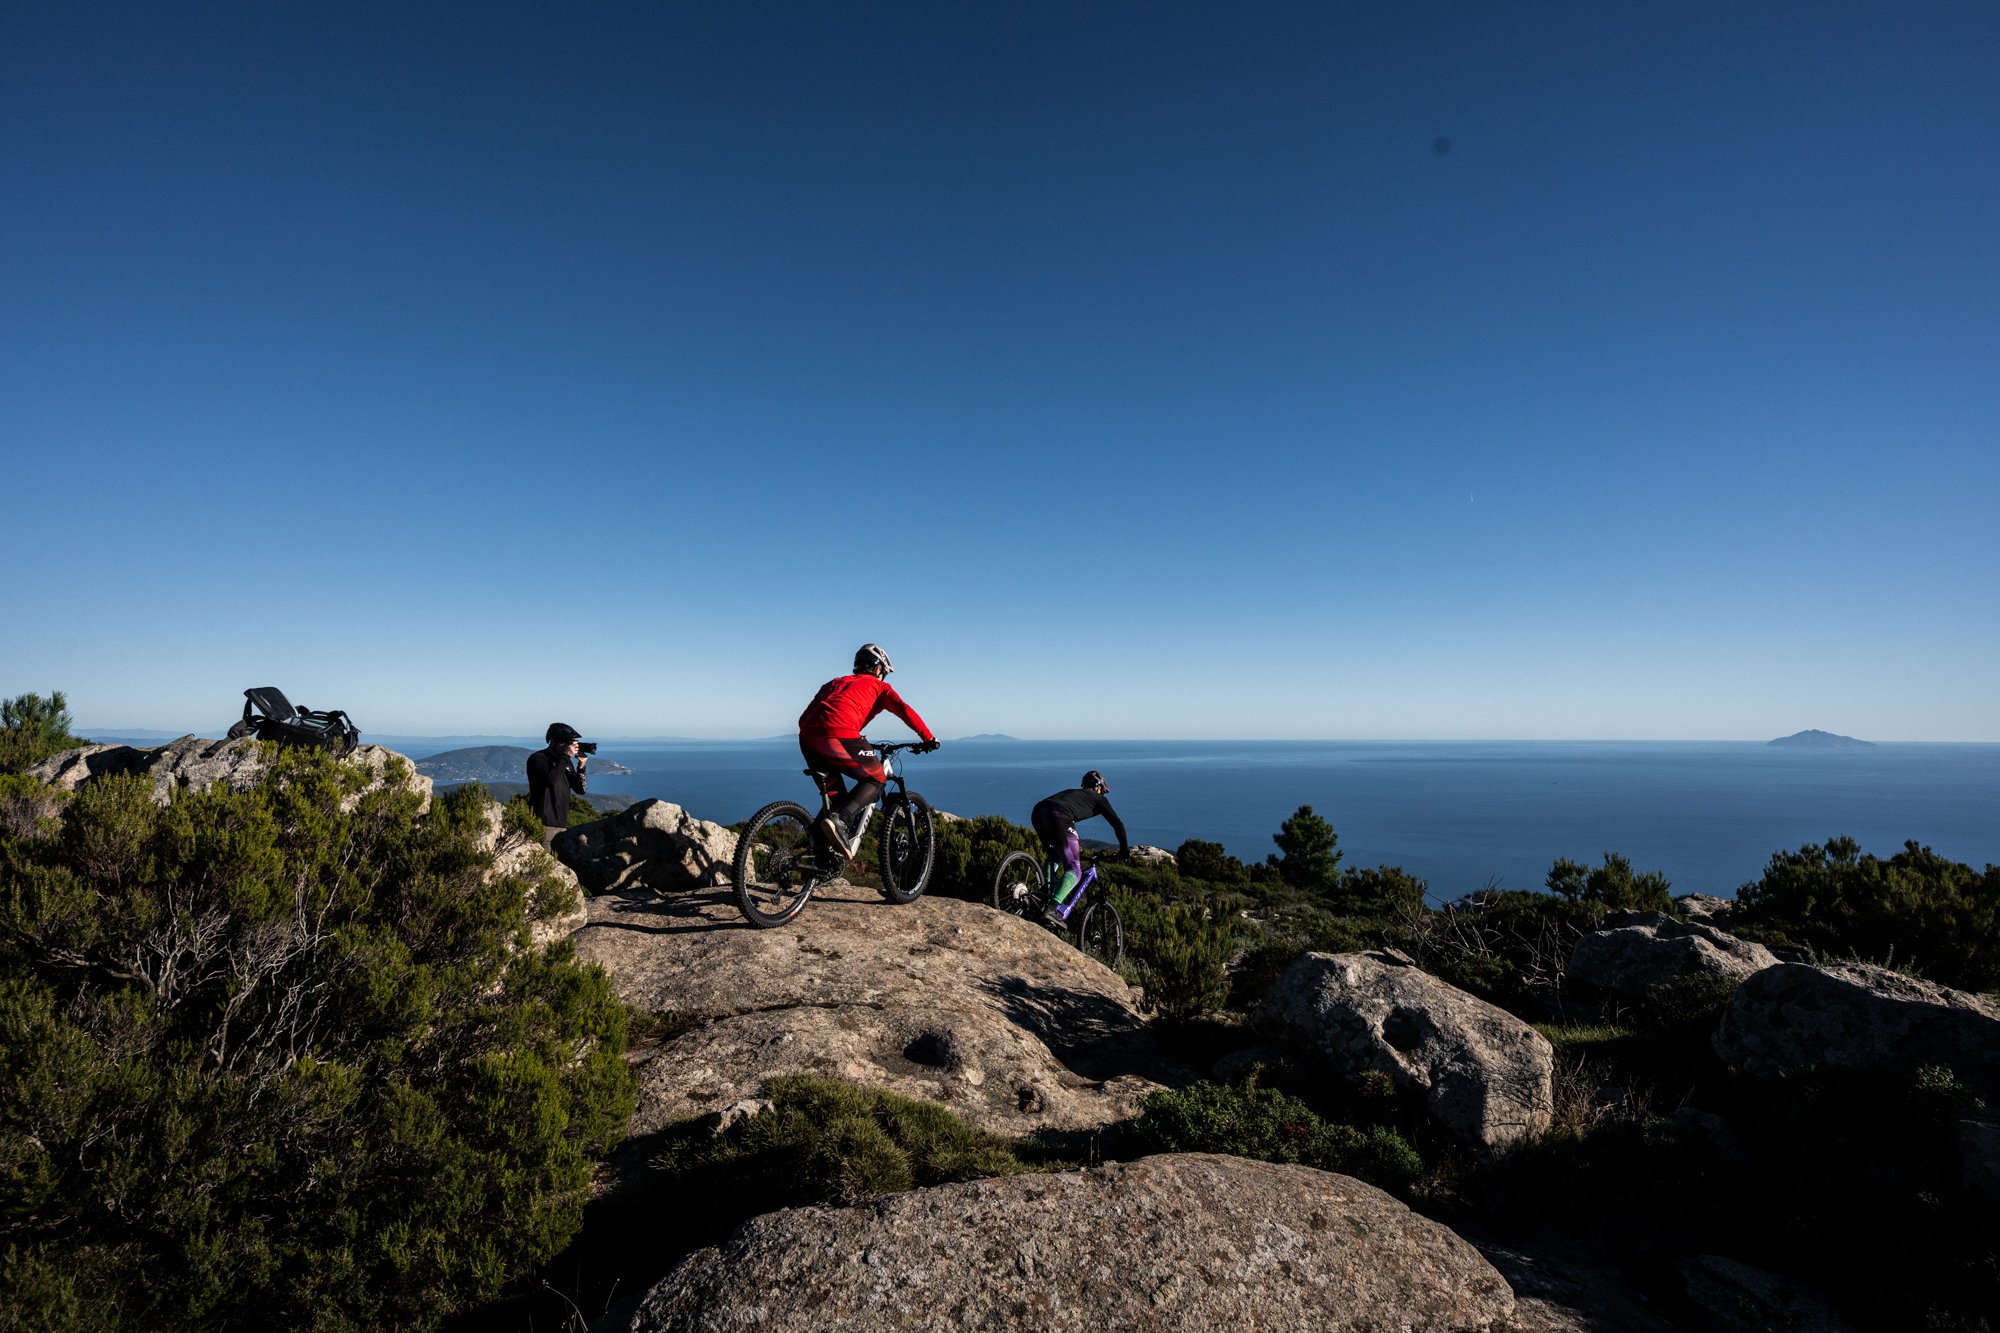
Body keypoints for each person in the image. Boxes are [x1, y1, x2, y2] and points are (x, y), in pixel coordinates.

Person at [798, 644, 938, 852]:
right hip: (839, 735)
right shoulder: (881, 688)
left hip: (808, 739)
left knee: (838, 799)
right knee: (876, 778)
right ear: (879, 668)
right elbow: (903, 710)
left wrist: (851, 736)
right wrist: (928, 738)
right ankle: (841, 821)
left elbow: (803, 720)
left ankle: (816, 856)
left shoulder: (834, 683)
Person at [1031, 771, 1128, 906]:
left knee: (1055, 856)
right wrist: (1124, 850)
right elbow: (1118, 825)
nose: (1102, 794)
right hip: (1060, 816)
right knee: (1075, 869)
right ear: (1098, 788)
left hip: (1038, 812)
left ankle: (1041, 895)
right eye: (1103, 791)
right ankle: (1052, 907)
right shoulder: (1099, 798)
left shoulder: (1073, 793)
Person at [526, 722, 588, 847]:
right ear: (552, 741)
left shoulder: (564, 762)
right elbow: (551, 781)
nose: (568, 747)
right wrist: (565, 756)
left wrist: (581, 768)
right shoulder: (538, 758)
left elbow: (580, 789)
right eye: (564, 743)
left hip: (561, 826)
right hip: (542, 825)